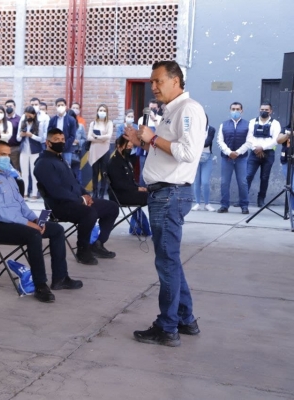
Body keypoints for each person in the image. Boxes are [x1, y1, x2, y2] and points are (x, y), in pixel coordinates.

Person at [123, 61, 205, 347]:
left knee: (166, 262)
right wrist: (141, 141)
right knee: (170, 261)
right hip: (162, 193)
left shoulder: (188, 110)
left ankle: (167, 327)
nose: (153, 87)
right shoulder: (170, 112)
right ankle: (185, 319)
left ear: (176, 80)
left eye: (158, 81)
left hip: (171, 195)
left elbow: (187, 152)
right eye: (152, 82)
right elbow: (164, 149)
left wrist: (153, 137)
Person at [0, 140, 83, 302]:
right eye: (2, 155)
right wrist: (29, 224)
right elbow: (1, 213)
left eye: (8, 155)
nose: (7, 158)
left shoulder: (9, 178)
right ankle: (40, 285)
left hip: (20, 223)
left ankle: (60, 278)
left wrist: (34, 218)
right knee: (34, 234)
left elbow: (21, 205)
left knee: (57, 230)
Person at [34, 128, 119, 265]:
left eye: (62, 139)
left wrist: (85, 195)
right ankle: (83, 250)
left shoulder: (60, 159)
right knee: (89, 213)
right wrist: (81, 200)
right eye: (56, 140)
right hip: (59, 207)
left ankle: (97, 244)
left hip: (76, 201)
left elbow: (74, 183)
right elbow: (56, 191)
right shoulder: (43, 164)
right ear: (48, 143)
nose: (61, 142)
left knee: (112, 207)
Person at [245, 101, 281, 208]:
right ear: (259, 110)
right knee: (248, 176)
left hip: (268, 154)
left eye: (266, 110)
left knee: (264, 178)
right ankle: (243, 199)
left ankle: (261, 200)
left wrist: (263, 148)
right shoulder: (252, 122)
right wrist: (255, 148)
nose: (264, 111)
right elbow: (249, 137)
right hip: (254, 152)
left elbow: (276, 139)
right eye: (262, 109)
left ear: (271, 111)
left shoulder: (275, 123)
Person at [216, 102, 250, 213]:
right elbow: (220, 141)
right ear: (230, 110)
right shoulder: (224, 124)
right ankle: (224, 205)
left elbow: (249, 141)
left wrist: (238, 152)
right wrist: (229, 152)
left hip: (241, 158)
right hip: (227, 158)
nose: (235, 111)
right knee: (225, 182)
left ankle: (244, 205)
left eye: (237, 109)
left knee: (243, 182)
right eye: (233, 109)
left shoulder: (248, 124)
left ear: (242, 111)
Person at [107, 135, 148, 206]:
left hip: (128, 191)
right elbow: (118, 184)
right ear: (119, 146)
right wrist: (136, 189)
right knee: (152, 198)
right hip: (120, 195)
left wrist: (138, 187)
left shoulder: (126, 159)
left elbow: (130, 180)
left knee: (152, 195)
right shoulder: (114, 162)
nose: (129, 149)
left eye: (131, 147)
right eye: (127, 147)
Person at [17, 106, 45, 200]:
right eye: (26, 115)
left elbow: (42, 139)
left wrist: (31, 135)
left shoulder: (39, 124)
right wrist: (21, 135)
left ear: (34, 115)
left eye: (30, 115)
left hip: (35, 151)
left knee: (34, 173)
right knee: (24, 173)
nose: (28, 116)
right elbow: (18, 138)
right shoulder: (22, 123)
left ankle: (34, 193)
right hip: (24, 151)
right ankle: (24, 193)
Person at [88, 104, 114, 199]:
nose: (102, 112)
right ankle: (95, 192)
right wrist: (101, 138)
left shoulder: (109, 123)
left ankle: (102, 193)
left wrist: (97, 137)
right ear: (97, 111)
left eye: (104, 110)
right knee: (95, 173)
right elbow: (89, 137)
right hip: (94, 150)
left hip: (105, 150)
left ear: (106, 112)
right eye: (100, 110)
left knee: (104, 172)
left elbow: (109, 136)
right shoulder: (93, 123)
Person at [191, 115, 216, 211]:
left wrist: (196, 143)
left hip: (207, 157)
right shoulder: (193, 130)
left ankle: (207, 203)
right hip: (195, 158)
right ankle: (197, 203)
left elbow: (207, 142)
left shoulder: (211, 129)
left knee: (205, 182)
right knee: (196, 181)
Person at [47, 98, 76, 168]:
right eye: (58, 105)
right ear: (56, 107)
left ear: (66, 106)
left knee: (67, 168)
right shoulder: (52, 120)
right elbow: (49, 134)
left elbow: (72, 136)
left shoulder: (71, 120)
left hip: (66, 149)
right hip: (54, 149)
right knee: (54, 168)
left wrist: (63, 146)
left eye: (62, 105)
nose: (60, 107)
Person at [277, 126, 294, 224]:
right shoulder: (286, 128)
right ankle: (291, 211)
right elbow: (279, 140)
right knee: (291, 187)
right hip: (286, 162)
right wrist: (288, 134)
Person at [67, 109, 86, 184]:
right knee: (66, 173)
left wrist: (78, 141)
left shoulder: (80, 127)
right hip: (66, 150)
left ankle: (78, 192)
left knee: (77, 172)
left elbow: (84, 139)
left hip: (76, 151)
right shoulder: (64, 127)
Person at [5, 99, 22, 171]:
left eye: (11, 106)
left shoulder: (19, 119)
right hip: (4, 148)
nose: (9, 108)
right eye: (7, 106)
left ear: (14, 107)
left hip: (15, 148)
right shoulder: (3, 119)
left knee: (14, 169)